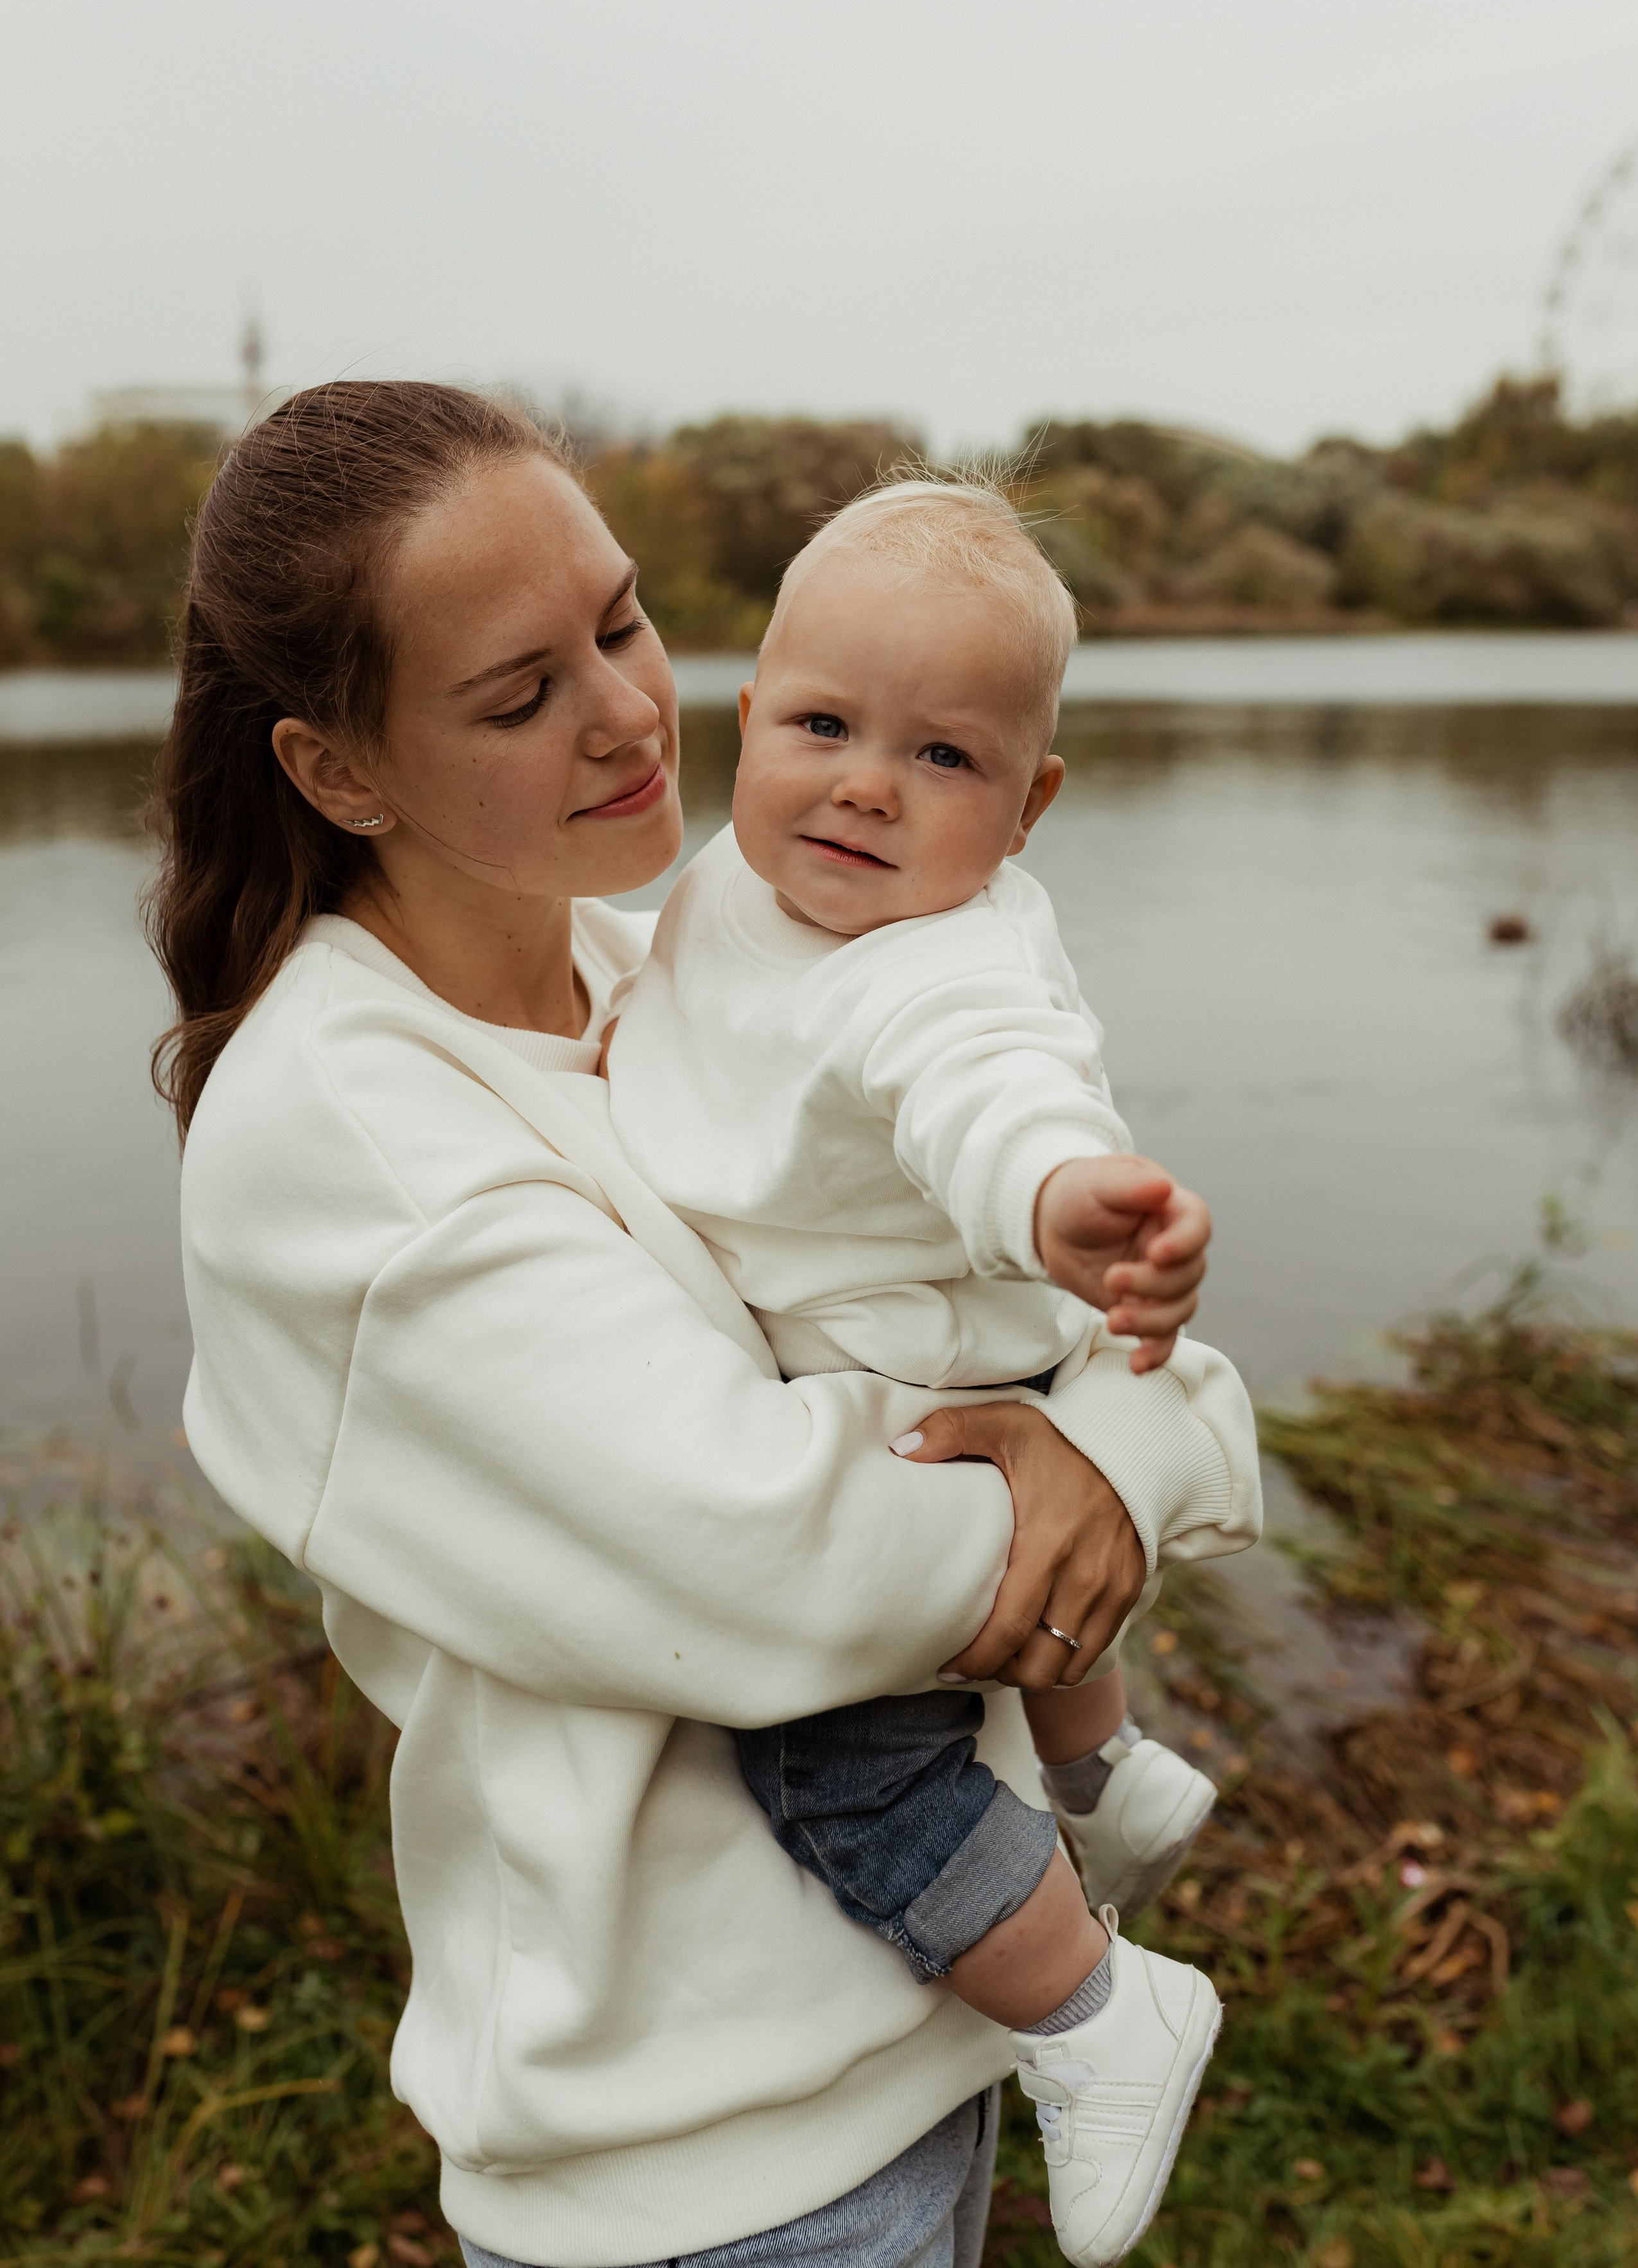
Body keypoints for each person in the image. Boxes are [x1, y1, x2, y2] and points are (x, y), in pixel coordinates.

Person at [150, 381, 1261, 2268]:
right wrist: (1137, 1452)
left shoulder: (650, 956)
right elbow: (788, 1558)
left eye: (625, 620)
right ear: (339, 771)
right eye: (520, 696)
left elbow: (978, 1290)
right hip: (705, 2171)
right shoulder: (347, 1134)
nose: (630, 712)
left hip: (918, 2042)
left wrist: (1124, 1432)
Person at [604, 478, 1243, 2264]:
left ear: (1030, 807)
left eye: (945, 759)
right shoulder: (736, 883)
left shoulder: (933, 965)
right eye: (821, 726)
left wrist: (1068, 1203)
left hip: (918, 1385)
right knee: (1008, 1632)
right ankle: (1106, 1768)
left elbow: (990, 1086)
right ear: (749, 722)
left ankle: (1100, 2019)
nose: (868, 785)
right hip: (941, 1363)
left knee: (840, 1765)